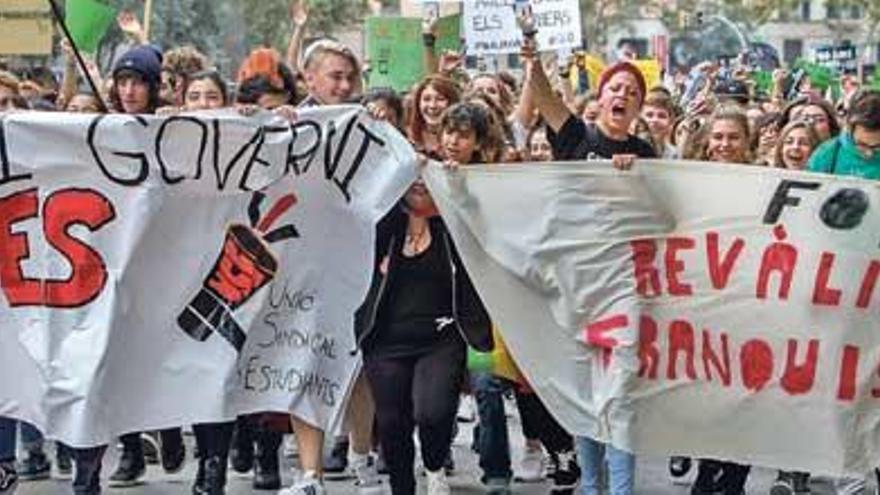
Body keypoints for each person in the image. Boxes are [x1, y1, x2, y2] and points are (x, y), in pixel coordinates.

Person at [522, 30, 655, 494]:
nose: (623, 95)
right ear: (600, 98)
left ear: (638, 108)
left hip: (622, 288)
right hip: (575, 287)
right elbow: (542, 99)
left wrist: (636, 182)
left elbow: (662, 216)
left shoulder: (645, 155)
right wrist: (533, 60)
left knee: (618, 397)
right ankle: (592, 485)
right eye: (616, 88)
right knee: (586, 394)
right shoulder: (577, 136)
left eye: (632, 93)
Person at [356, 102, 494, 495]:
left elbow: (485, 223)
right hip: (385, 339)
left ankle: (434, 463)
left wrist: (459, 188)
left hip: (441, 338)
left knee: (432, 413)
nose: (419, 185)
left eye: (426, 180)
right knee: (394, 423)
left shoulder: (454, 222)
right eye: (412, 179)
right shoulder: (387, 222)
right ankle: (402, 487)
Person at [807, 88, 880, 495]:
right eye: (862, 143)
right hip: (842, 289)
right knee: (845, 385)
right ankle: (851, 475)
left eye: (877, 146)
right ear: (849, 126)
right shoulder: (828, 156)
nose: (868, 152)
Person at [406, 76, 461, 156]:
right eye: (426, 99)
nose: (432, 106)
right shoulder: (405, 138)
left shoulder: (463, 139)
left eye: (440, 99)